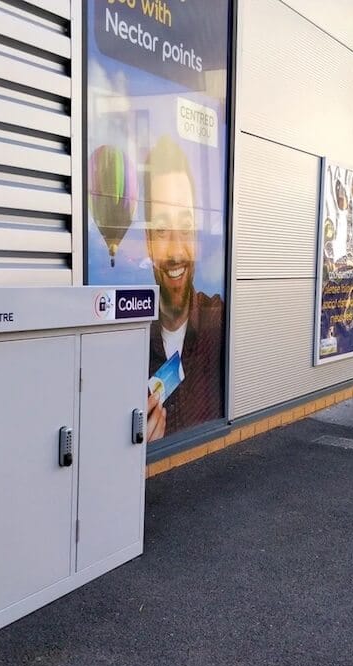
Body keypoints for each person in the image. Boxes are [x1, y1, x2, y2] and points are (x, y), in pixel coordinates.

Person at [143, 135, 224, 441]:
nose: (177, 250)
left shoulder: (221, 324)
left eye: (186, 227)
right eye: (162, 229)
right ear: (148, 243)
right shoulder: (127, 341)